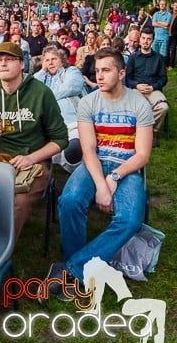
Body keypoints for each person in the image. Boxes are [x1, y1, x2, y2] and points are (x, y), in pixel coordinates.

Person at [46, 47, 153, 300]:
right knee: (69, 202)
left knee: (130, 220)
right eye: (97, 71)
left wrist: (114, 178)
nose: (100, 76)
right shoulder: (88, 102)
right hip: (94, 164)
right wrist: (101, 185)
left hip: (126, 168)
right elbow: (88, 149)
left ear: (122, 72)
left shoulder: (139, 104)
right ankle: (79, 265)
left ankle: (73, 270)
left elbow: (142, 155)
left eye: (106, 70)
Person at [0, 41, 67, 245]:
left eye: (9, 60)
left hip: (33, 160)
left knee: (16, 202)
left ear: (22, 64)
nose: (3, 64)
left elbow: (60, 139)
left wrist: (30, 158)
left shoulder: (41, 93)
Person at [34, 45, 85, 170]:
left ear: (62, 61)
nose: (50, 62)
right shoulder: (41, 78)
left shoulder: (71, 71)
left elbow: (71, 87)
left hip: (72, 122)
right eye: (47, 60)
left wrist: (44, 97)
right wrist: (42, 71)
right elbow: (30, 89)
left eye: (54, 59)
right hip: (48, 127)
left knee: (74, 149)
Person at [124, 27, 169, 135]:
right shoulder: (133, 58)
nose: (145, 41)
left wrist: (153, 87)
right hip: (137, 89)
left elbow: (164, 78)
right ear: (140, 40)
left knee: (163, 107)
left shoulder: (159, 58)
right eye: (143, 38)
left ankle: (150, 131)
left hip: (153, 89)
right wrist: (137, 85)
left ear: (152, 40)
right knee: (133, 107)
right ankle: (141, 131)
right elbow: (128, 78)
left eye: (148, 39)